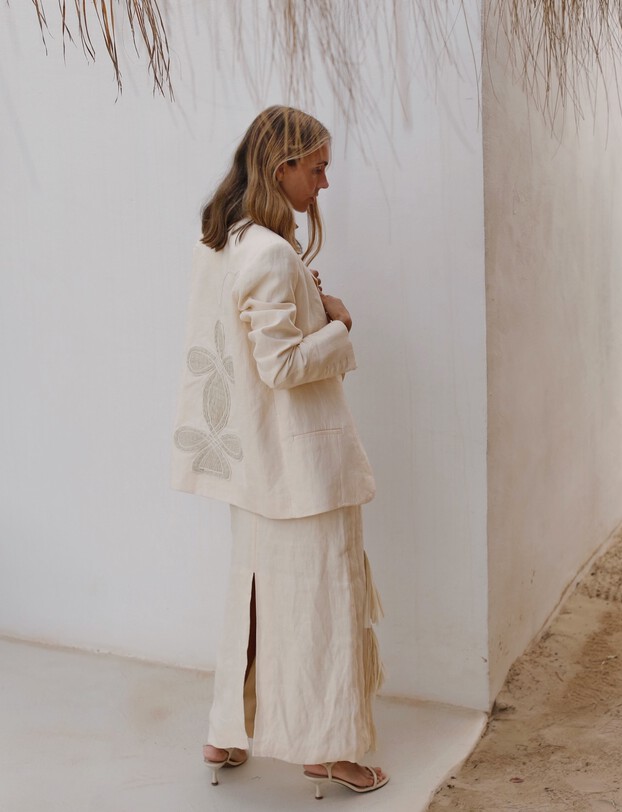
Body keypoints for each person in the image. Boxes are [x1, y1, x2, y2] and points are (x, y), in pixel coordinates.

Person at [171, 105, 388, 799]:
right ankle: (331, 752)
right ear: (281, 166)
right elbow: (283, 365)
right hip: (301, 467)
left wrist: (309, 307)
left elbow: (247, 348)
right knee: (324, 602)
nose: (324, 183)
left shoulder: (224, 240)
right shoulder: (268, 251)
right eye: (317, 169)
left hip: (255, 461)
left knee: (255, 598)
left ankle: (227, 732)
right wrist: (339, 324)